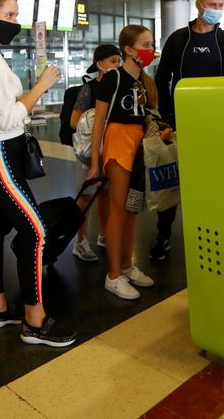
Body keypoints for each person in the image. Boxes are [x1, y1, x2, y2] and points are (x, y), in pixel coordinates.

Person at [0, 0, 76, 347]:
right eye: (10, 14)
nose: (17, 21)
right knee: (36, 231)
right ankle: (34, 319)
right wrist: (41, 87)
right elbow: (9, 118)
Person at [152, 0, 224, 260]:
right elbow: (162, 79)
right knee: (174, 184)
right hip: (183, 124)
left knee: (215, 184)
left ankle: (217, 231)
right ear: (198, 5)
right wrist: (167, 118)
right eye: (212, 5)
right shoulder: (179, 40)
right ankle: (163, 235)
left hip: (218, 126)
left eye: (220, 6)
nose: (216, 10)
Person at [87, 25, 171, 299]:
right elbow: (99, 121)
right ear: (129, 49)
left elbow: (145, 116)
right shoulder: (112, 79)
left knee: (133, 208)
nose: (150, 49)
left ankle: (125, 265)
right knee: (118, 209)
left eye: (151, 43)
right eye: (146, 44)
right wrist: (95, 163)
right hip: (118, 144)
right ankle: (113, 275)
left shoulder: (144, 81)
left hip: (139, 146)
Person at [68, 44, 121, 261]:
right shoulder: (88, 89)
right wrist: (95, 121)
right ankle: (80, 242)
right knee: (86, 197)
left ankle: (103, 235)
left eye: (119, 61)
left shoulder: (118, 87)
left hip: (110, 150)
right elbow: (73, 121)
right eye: (112, 61)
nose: (117, 66)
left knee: (106, 195)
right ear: (99, 64)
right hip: (89, 154)